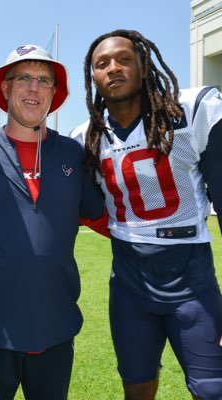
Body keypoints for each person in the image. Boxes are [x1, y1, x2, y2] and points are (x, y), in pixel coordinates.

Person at [0, 44, 104, 400]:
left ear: (54, 92)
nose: (34, 88)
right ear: (4, 87)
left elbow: (105, 216)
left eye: (44, 80)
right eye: (24, 78)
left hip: (55, 325)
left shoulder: (72, 154)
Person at [71, 29, 222, 400]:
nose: (113, 68)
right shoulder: (85, 136)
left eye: (124, 59)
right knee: (136, 385)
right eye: (101, 63)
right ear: (92, 77)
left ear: (144, 65)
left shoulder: (191, 111)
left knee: (212, 388)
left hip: (192, 278)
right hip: (129, 282)